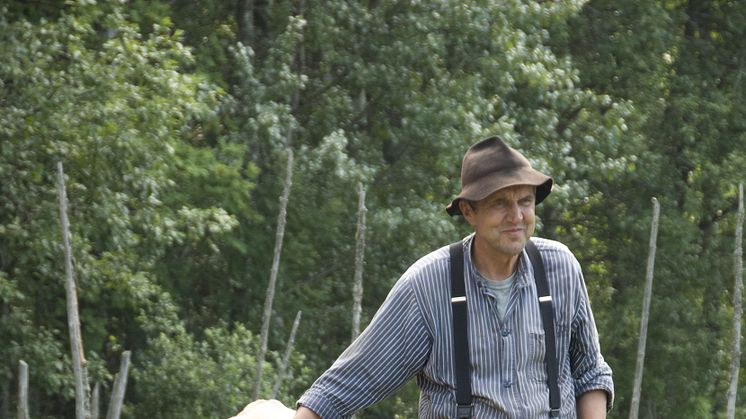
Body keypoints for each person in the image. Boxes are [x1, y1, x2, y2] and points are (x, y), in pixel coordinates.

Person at [293, 136, 614, 418]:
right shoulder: (427, 287)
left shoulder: (561, 270)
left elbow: (590, 374)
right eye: (500, 203)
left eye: (525, 201)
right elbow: (343, 389)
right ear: (468, 212)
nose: (516, 216)